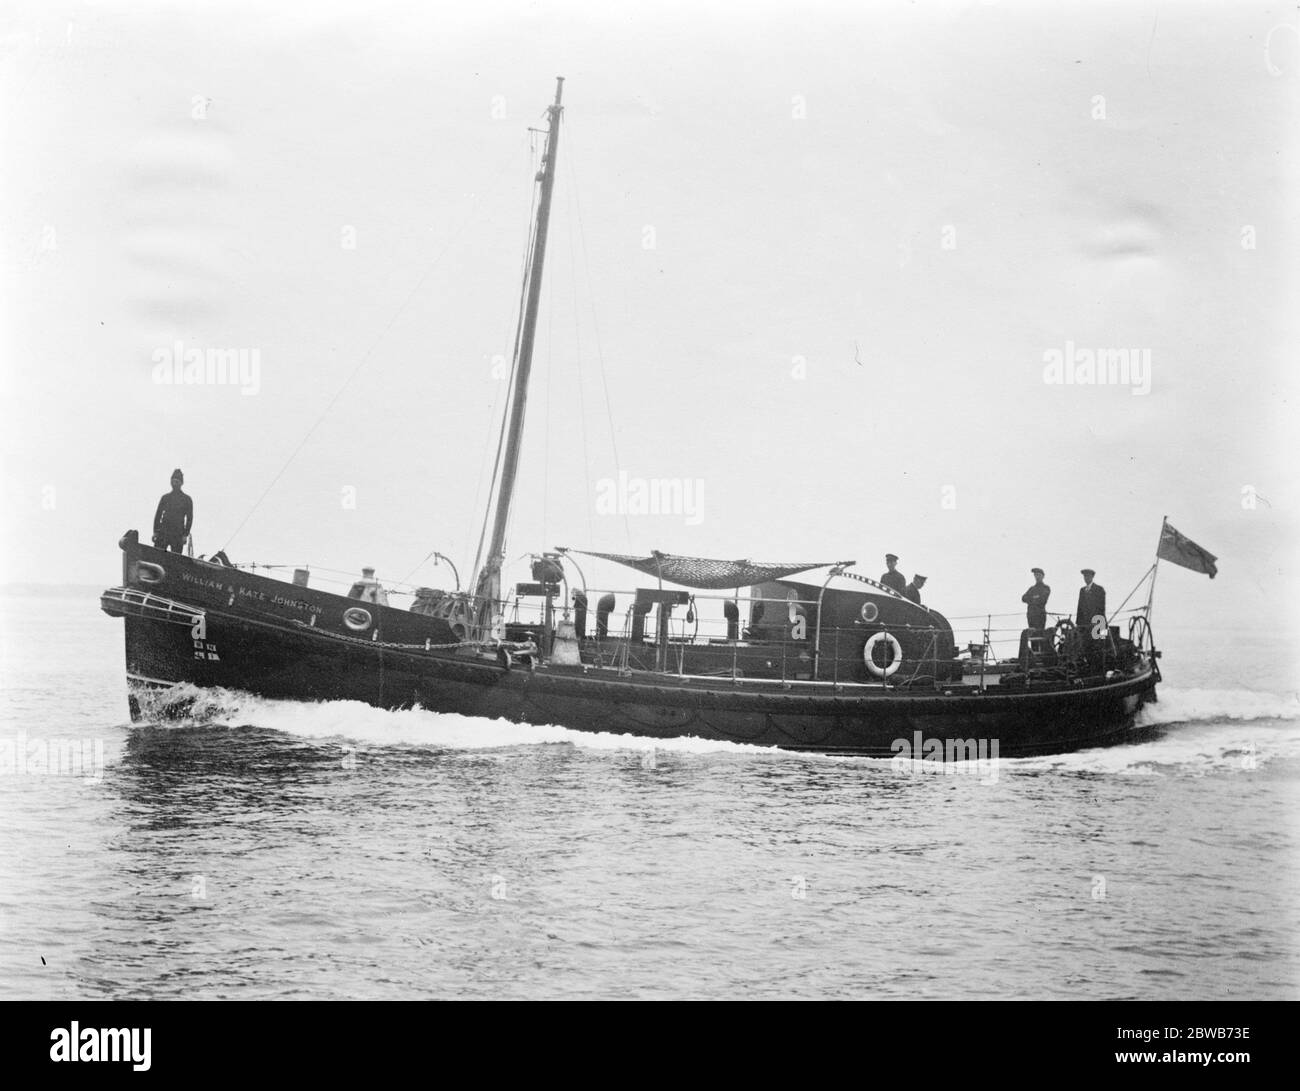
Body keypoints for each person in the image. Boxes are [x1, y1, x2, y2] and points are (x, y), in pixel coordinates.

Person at [152, 469, 192, 553]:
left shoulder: (186, 499)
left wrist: (185, 535)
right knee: (156, 555)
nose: (174, 483)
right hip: (163, 531)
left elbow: (189, 519)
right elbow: (158, 515)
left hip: (178, 533)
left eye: (177, 481)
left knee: (176, 560)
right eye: (173, 481)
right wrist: (155, 531)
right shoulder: (165, 498)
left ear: (181, 483)